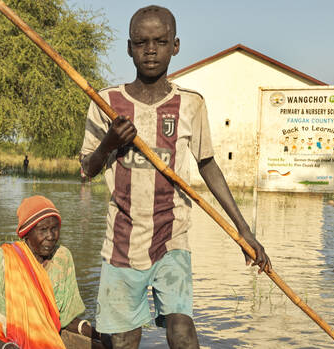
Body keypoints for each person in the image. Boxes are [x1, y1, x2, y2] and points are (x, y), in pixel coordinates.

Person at [80, 6, 272, 349]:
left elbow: (209, 165)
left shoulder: (190, 104)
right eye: (141, 42)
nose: (150, 50)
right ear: (129, 48)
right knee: (124, 340)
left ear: (176, 46)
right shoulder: (106, 103)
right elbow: (86, 170)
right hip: (121, 240)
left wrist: (244, 232)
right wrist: (109, 141)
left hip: (172, 237)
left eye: (160, 41)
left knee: (182, 332)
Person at [0, 196, 109, 349]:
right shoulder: (1, 259)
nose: (51, 236)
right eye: (43, 230)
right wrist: (7, 347)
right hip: (7, 338)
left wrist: (97, 333)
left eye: (54, 228)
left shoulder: (62, 258)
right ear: (26, 233)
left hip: (47, 339)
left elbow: (64, 317)